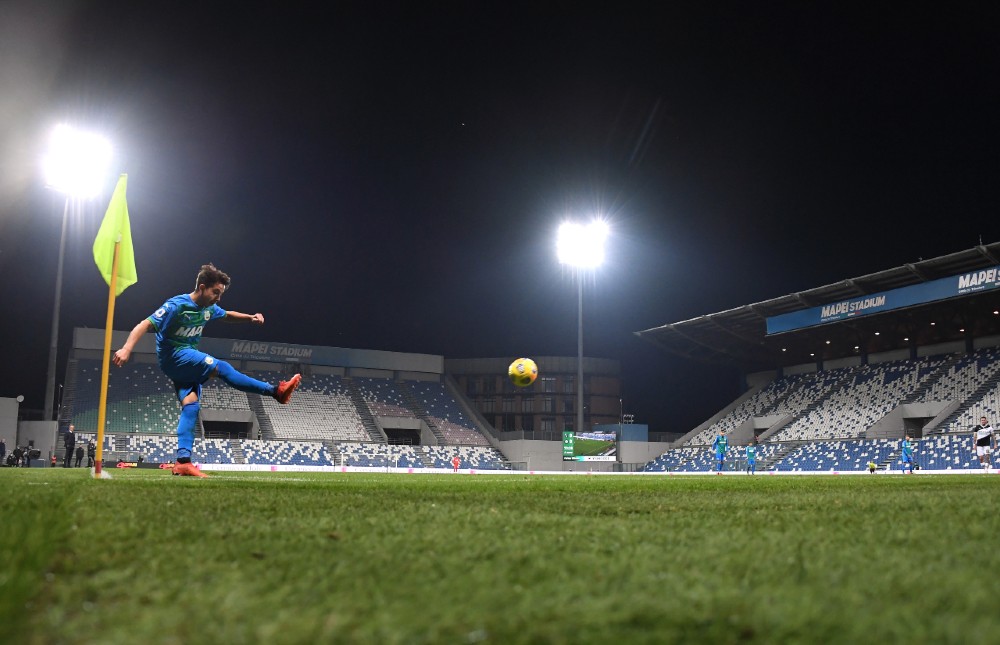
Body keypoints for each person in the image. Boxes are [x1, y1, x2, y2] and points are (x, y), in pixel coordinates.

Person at [113, 263, 301, 478]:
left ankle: (183, 461)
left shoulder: (208, 308)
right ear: (202, 287)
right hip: (174, 356)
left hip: (184, 364)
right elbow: (145, 324)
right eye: (215, 292)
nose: (218, 298)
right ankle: (275, 391)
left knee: (191, 406)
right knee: (221, 367)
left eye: (220, 294)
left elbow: (227, 314)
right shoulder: (177, 305)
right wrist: (127, 348)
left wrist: (250, 317)